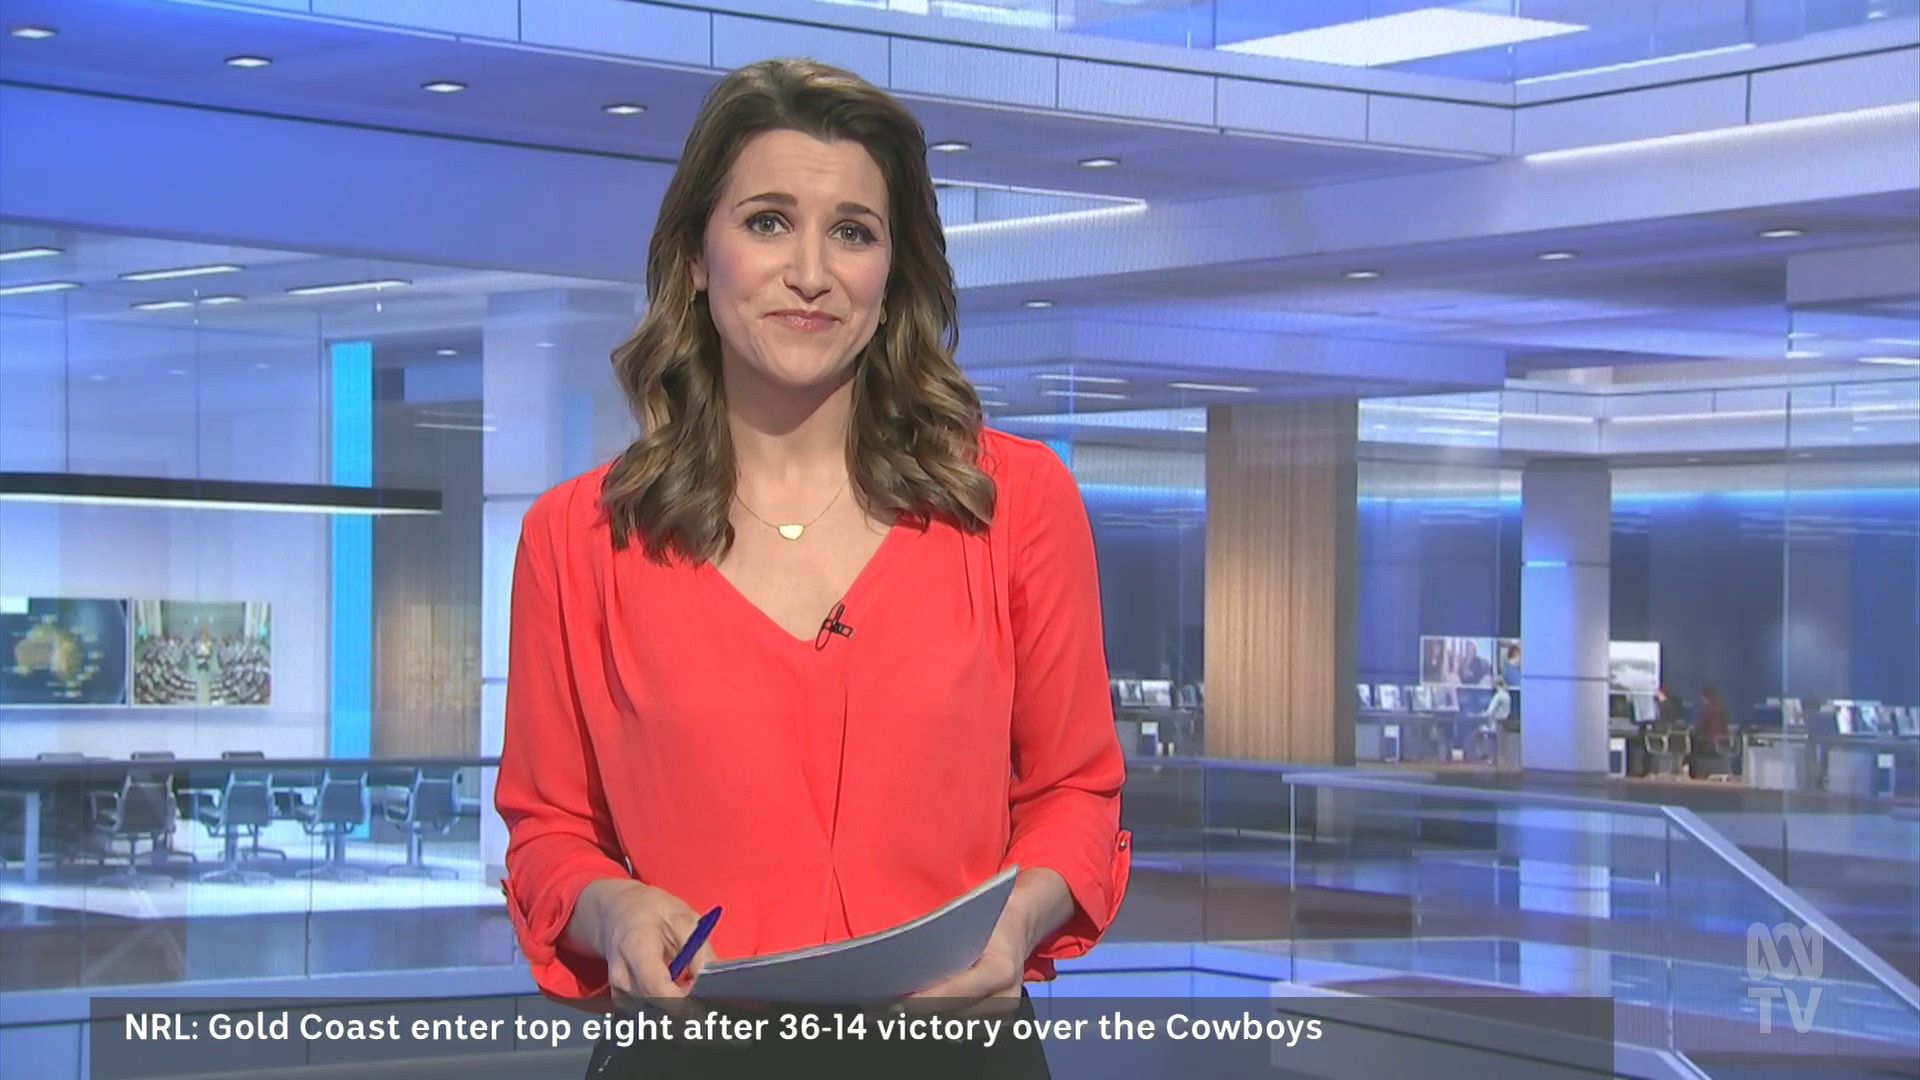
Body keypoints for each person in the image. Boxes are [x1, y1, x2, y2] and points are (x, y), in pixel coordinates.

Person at [493, 59, 1127, 1079]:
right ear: (696, 259)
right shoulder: (577, 540)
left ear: (894, 272)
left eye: (853, 232)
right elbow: (548, 832)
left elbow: (1077, 795)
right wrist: (614, 910)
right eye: (768, 222)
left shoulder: (1013, 502)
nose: (811, 273)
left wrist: (1014, 925)